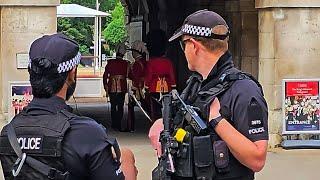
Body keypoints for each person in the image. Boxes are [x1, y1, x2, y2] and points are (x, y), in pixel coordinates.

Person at [149, 10, 268, 179]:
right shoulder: (195, 84)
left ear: (194, 46)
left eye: (183, 45)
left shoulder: (243, 89)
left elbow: (257, 159)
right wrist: (161, 123)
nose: (183, 51)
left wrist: (216, 119)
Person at [0, 34, 137, 180]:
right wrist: (127, 163)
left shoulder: (9, 133)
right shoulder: (86, 133)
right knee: (127, 157)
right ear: (72, 73)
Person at [145, 29, 177, 121]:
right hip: (166, 87)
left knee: (155, 109)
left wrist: (146, 87)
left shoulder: (151, 62)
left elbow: (149, 75)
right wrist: (174, 87)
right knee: (166, 107)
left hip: (154, 87)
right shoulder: (168, 62)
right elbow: (172, 75)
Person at [103, 43, 129, 131]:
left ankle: (114, 123)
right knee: (120, 106)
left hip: (111, 86)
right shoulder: (126, 63)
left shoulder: (110, 63)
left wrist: (105, 86)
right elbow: (128, 75)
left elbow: (105, 75)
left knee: (113, 106)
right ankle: (118, 124)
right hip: (122, 86)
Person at [127, 40, 149, 131]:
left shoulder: (137, 64)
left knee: (130, 107)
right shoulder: (145, 61)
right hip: (145, 87)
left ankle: (131, 127)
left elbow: (134, 77)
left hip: (138, 88)